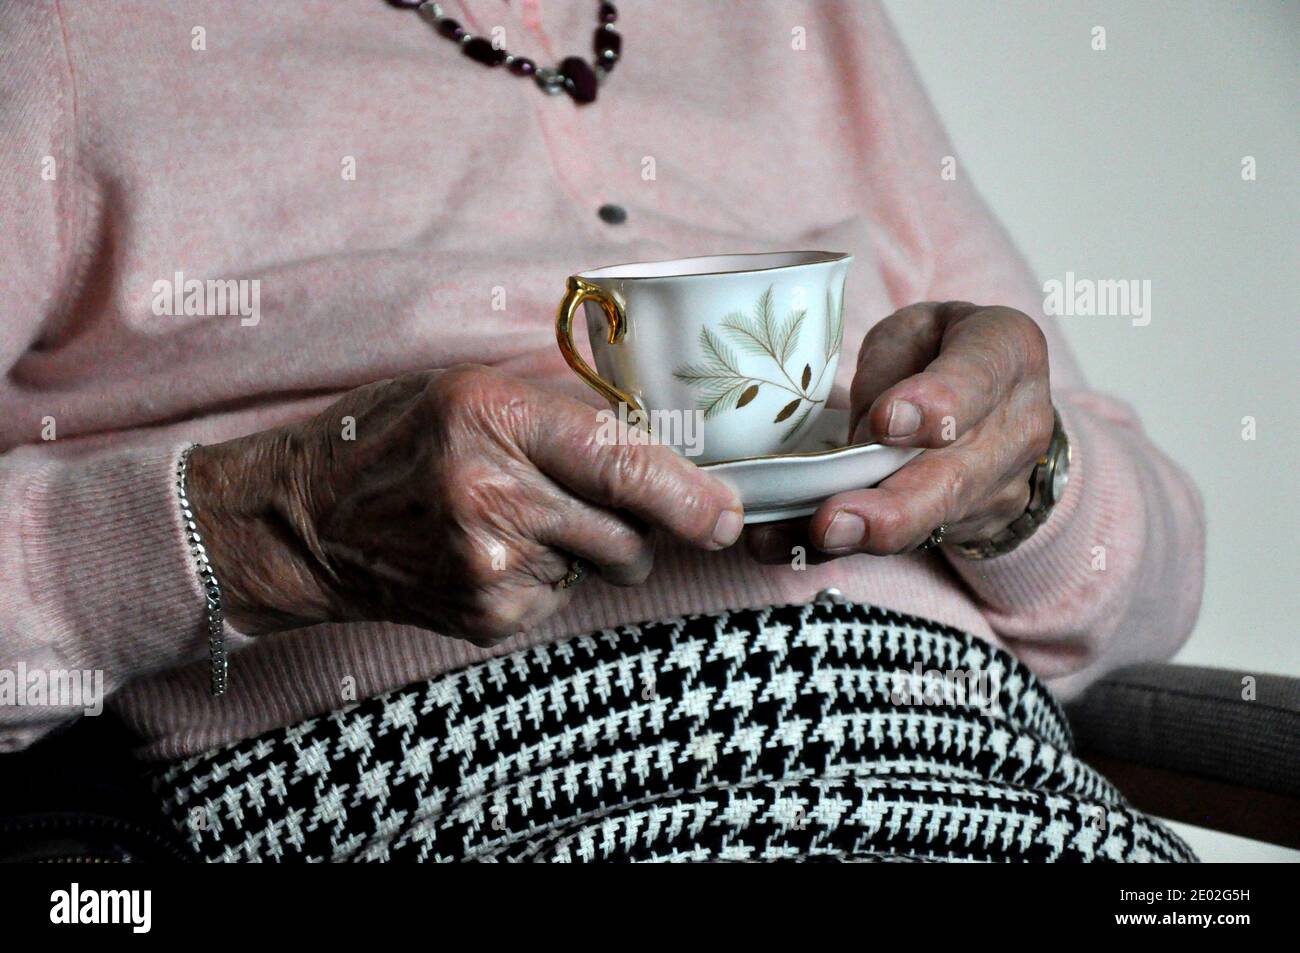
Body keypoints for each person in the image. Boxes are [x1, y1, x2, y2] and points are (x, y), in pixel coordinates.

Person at [0, 1, 1203, 861]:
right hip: (440, 784)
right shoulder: (66, 30)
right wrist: (272, 525)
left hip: (983, 773)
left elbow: (1149, 585)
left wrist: (1022, 481)